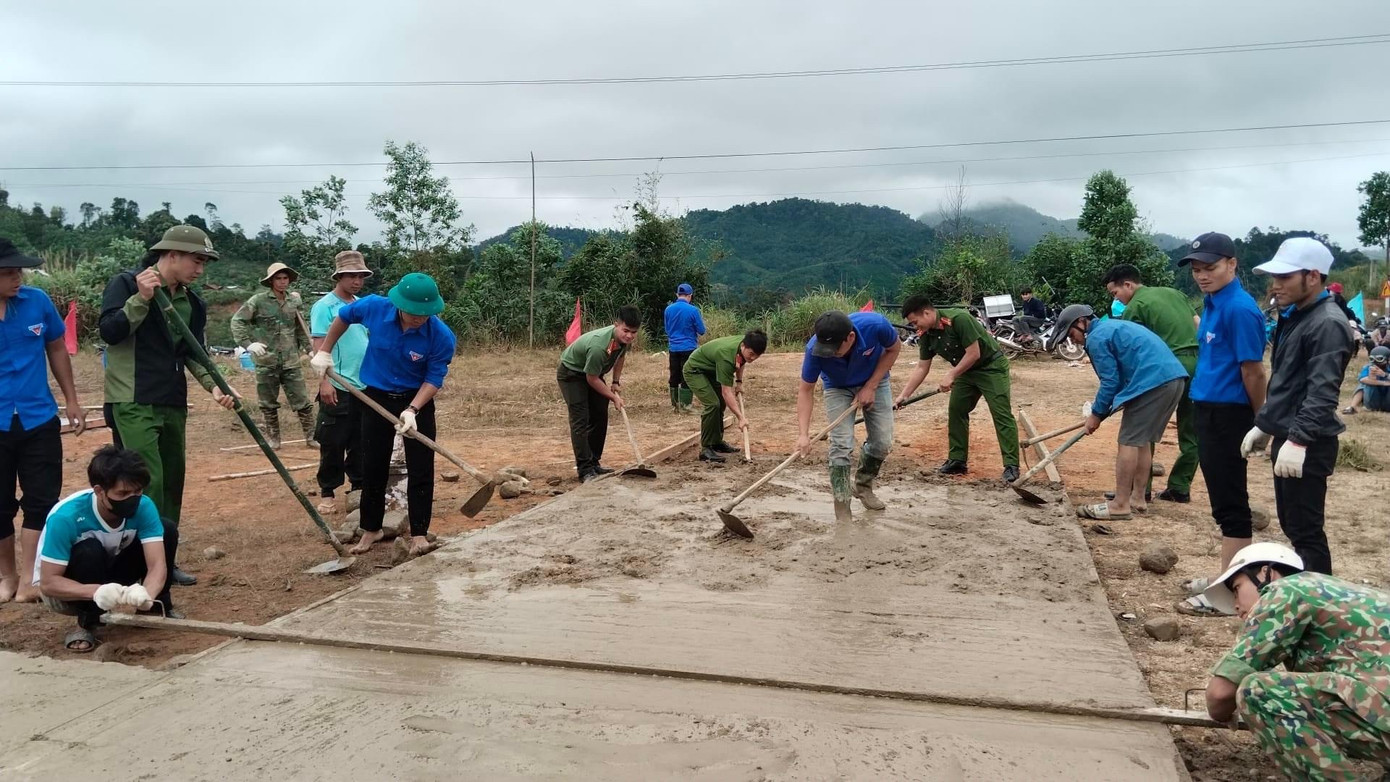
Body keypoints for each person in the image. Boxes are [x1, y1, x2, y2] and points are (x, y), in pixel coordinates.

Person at [100, 225, 238, 588]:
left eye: (204, 262)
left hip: (172, 400)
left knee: (173, 480)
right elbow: (110, 331)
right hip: (132, 398)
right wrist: (141, 299)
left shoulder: (192, 302)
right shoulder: (127, 284)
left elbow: (192, 352)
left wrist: (216, 387)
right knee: (149, 480)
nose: (200, 269)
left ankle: (165, 559)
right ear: (171, 254)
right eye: (197, 260)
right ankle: (137, 564)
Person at [1201, 542, 1390, 779]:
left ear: (1266, 572)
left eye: (1237, 589)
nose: (1236, 605)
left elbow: (1219, 695)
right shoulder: (1335, 593)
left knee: (1258, 692)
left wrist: (1223, 709)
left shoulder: (1286, 590)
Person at [311, 273, 455, 558]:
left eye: (426, 314)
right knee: (372, 464)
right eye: (414, 313)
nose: (420, 318)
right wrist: (324, 352)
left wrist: (413, 410)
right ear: (399, 305)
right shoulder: (375, 307)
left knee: (421, 467)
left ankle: (419, 534)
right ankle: (371, 528)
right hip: (374, 396)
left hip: (416, 400)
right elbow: (343, 316)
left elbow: (434, 378)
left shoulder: (441, 336)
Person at [1240, 238, 1353, 576]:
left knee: (1306, 532)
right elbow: (1290, 382)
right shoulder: (1300, 316)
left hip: (1308, 442)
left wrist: (1300, 440)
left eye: (1285, 277)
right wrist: (1267, 423)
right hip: (1288, 435)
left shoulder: (1327, 323)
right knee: (1295, 526)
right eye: (1274, 277)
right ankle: (1307, 599)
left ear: (1313, 276)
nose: (1276, 285)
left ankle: (1320, 607)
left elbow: (1322, 392)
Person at [1176, 233, 1270, 617]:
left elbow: (1253, 371)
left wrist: (1260, 422)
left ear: (1232, 263)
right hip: (1207, 408)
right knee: (1220, 501)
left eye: (1210, 267)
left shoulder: (1240, 309)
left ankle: (1232, 594)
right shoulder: (1212, 302)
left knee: (1231, 504)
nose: (1202, 275)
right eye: (1197, 269)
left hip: (1230, 413)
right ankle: (1226, 577)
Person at [0, 239, 86, 604]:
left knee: (41, 497)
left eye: (19, 270)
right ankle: (7, 576)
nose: (17, 277)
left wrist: (71, 399)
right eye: (7, 273)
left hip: (38, 418)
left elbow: (55, 347)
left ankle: (31, 577)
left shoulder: (37, 301)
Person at [1049, 304, 1187, 520]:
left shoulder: (1096, 338)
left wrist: (1095, 415)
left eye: (1070, 334)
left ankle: (1120, 504)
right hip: (1172, 380)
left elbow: (1110, 381)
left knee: (1128, 441)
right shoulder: (1110, 328)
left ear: (1081, 322)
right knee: (1141, 441)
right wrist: (1104, 409)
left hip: (1154, 382)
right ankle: (1138, 499)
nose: (1072, 340)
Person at [36, 445, 180, 652]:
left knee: (166, 529)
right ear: (99, 491)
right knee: (88, 550)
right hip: (70, 588)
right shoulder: (65, 517)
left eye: (138, 491)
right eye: (122, 493)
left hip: (111, 573)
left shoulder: (144, 506)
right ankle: (87, 621)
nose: (132, 498)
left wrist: (147, 594)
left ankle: (154, 606)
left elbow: (157, 564)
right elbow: (49, 584)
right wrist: (96, 591)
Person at [896, 294, 1020, 482]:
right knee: (957, 410)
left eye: (915, 322)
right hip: (966, 372)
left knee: (1000, 412)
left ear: (927, 312)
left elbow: (974, 353)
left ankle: (1011, 465)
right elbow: (922, 367)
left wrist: (951, 375)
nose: (915, 327)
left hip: (991, 367)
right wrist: (904, 395)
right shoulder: (926, 335)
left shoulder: (959, 320)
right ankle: (957, 461)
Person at [1103, 264, 1200, 503]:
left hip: (1165, 369)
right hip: (1197, 364)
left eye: (1115, 294)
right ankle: (1179, 487)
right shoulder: (1174, 293)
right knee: (1191, 432)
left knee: (1143, 429)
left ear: (1128, 285)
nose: (1118, 300)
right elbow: (1198, 324)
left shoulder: (1136, 307)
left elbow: (1136, 350)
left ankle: (1140, 491)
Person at [797, 310, 901, 522]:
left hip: (875, 381)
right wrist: (803, 434)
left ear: (850, 337)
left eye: (835, 349)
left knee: (882, 442)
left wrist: (870, 386)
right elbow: (805, 390)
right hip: (837, 387)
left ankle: (863, 486)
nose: (830, 353)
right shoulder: (814, 350)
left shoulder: (876, 325)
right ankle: (842, 504)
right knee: (841, 445)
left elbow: (894, 348)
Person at [309, 251, 371, 514]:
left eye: (361, 276)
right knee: (333, 442)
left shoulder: (361, 304)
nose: (357, 281)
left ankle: (358, 489)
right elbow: (319, 347)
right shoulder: (325, 307)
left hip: (364, 386)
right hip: (338, 383)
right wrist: (325, 383)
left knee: (361, 441)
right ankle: (328, 492)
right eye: (351, 276)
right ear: (339, 276)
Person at [231, 262, 315, 450]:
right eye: (278, 278)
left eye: (285, 278)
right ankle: (274, 438)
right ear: (271, 281)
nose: (283, 282)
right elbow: (238, 321)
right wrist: (248, 344)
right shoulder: (258, 301)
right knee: (268, 403)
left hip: (291, 360)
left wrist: (309, 349)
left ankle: (311, 437)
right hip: (266, 360)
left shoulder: (294, 302)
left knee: (302, 400)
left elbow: (301, 329)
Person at [555, 306, 640, 482]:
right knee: (581, 419)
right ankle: (585, 470)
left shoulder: (624, 341)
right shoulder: (598, 346)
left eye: (633, 332)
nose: (629, 336)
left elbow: (620, 357)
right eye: (625, 331)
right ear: (616, 325)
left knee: (600, 415)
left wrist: (615, 382)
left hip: (592, 373)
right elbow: (592, 379)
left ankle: (594, 462)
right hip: (572, 374)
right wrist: (613, 396)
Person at [682, 328, 767, 463]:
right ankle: (706, 449)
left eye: (757, 356)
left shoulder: (745, 344)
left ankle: (716, 442)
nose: (753, 358)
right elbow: (726, 392)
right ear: (744, 346)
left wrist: (739, 382)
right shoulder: (727, 355)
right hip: (695, 370)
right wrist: (740, 418)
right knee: (712, 404)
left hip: (712, 370)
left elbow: (741, 362)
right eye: (751, 354)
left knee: (720, 404)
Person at [663, 283, 705, 414]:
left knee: (674, 375)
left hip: (673, 348)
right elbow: (701, 330)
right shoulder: (693, 310)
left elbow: (667, 329)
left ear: (677, 295)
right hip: (688, 347)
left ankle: (675, 405)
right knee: (687, 375)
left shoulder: (668, 310)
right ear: (690, 296)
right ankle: (686, 406)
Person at [1342, 346, 1390, 414]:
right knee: (1363, 385)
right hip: (1373, 401)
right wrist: (1383, 382)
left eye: (1380, 359)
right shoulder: (1369, 367)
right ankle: (1352, 407)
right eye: (1372, 359)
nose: (1376, 362)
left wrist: (1385, 374)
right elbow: (1363, 379)